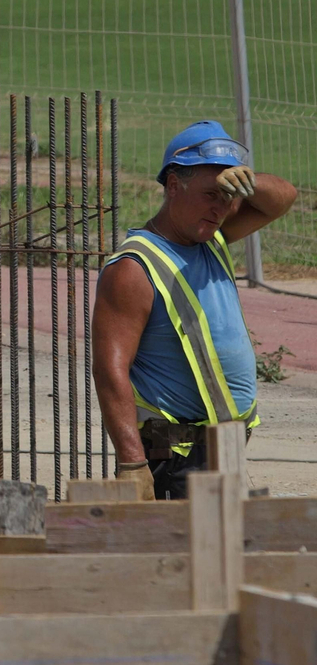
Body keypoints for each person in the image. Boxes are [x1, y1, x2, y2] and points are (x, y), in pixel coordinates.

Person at [92, 121, 294, 500]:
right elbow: (109, 370)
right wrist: (132, 463)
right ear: (173, 186)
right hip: (173, 458)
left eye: (229, 196)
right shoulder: (133, 268)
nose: (221, 208)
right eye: (210, 194)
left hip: (223, 449)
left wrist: (249, 183)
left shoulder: (211, 237)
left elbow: (283, 198)